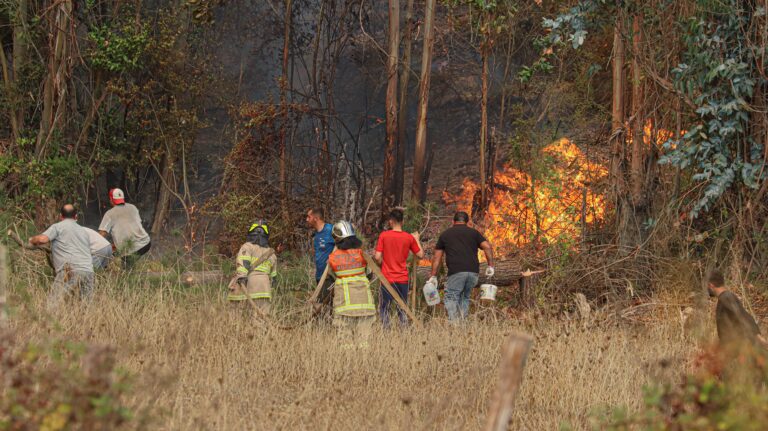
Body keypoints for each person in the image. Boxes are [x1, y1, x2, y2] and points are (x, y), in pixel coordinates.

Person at [429, 211, 495, 322]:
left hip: (456, 272)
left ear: (453, 221)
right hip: (473, 273)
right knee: (464, 297)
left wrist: (433, 276)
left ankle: (454, 325)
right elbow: (487, 247)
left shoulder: (445, 234)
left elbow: (437, 258)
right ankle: (462, 325)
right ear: (467, 222)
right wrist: (491, 266)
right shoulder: (474, 233)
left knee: (451, 297)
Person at [28, 204, 94, 308]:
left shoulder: (58, 227)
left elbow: (42, 239)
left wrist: (32, 240)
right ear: (76, 216)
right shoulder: (84, 231)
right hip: (88, 271)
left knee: (53, 304)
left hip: (70, 270)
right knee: (85, 307)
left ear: (61, 216)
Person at [327, 221, 376, 349]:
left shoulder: (333, 258)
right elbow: (370, 274)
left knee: (345, 344)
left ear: (336, 239)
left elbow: (331, 276)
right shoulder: (362, 255)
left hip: (344, 307)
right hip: (365, 305)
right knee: (364, 343)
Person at [374, 209, 424, 328]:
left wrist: (382, 264)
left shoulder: (384, 235)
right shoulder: (408, 237)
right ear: (403, 222)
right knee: (402, 308)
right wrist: (416, 239)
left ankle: (386, 332)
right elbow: (421, 255)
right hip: (402, 279)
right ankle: (403, 332)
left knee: (385, 308)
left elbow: (377, 257)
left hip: (387, 279)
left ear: (391, 221)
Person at [707, 271, 767, 352]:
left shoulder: (726, 297)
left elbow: (743, 316)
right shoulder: (725, 298)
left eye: (707, 286)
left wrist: (758, 337)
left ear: (711, 285)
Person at [228, 220, 277, 317]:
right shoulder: (271, 254)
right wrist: (271, 291)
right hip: (264, 289)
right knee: (260, 318)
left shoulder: (247, 247)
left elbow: (243, 264)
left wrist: (241, 278)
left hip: (247, 286)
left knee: (236, 316)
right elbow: (274, 279)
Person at [98, 188, 151, 269]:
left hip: (130, 250)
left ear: (111, 199)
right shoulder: (133, 207)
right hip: (146, 243)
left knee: (125, 267)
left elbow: (101, 235)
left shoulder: (109, 214)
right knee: (127, 262)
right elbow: (133, 227)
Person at [306, 207, 334, 321]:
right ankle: (323, 327)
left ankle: (328, 326)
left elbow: (343, 246)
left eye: (309, 217)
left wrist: (333, 258)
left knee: (325, 304)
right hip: (319, 275)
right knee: (321, 306)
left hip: (329, 276)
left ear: (316, 218)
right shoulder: (316, 234)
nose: (307, 219)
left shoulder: (331, 230)